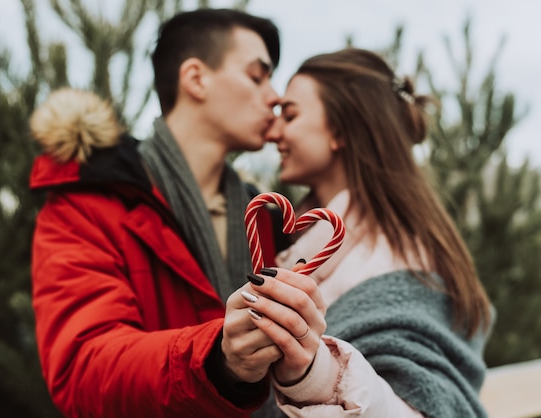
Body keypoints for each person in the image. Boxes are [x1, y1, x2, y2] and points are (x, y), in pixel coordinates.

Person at [28, 8, 291, 418]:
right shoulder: (89, 201)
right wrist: (217, 360)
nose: (275, 96)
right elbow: (81, 368)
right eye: (257, 76)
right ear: (196, 79)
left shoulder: (268, 220)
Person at [241, 48, 494, 417]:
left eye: (290, 115)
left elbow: (425, 408)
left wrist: (319, 374)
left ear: (340, 131)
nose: (273, 131)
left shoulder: (396, 257)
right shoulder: (306, 241)